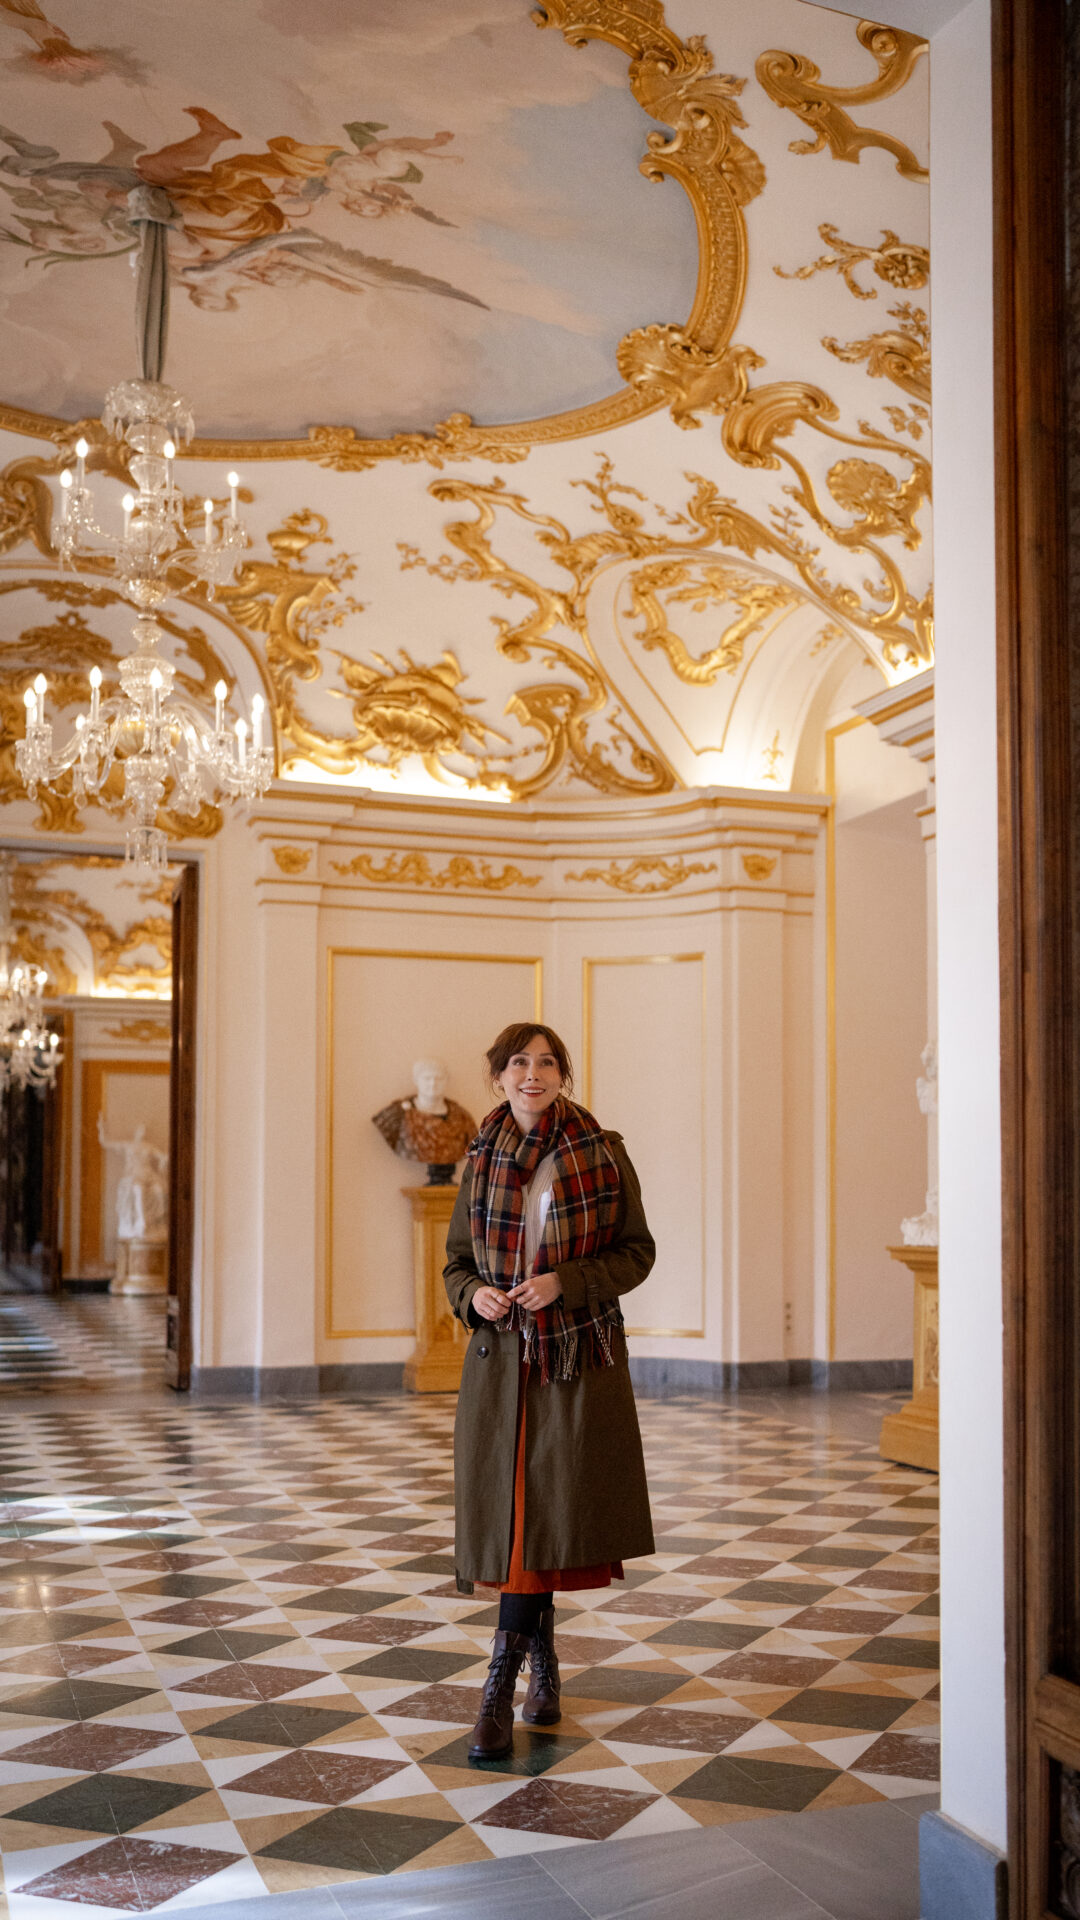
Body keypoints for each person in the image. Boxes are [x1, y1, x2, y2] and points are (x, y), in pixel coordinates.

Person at [443, 1022, 655, 1763]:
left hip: (574, 1361)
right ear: (497, 1076)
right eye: (518, 1062)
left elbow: (637, 1253)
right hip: (501, 1367)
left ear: (564, 1074)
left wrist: (567, 1282)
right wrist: (476, 1297)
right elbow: (455, 1266)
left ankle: (498, 1685)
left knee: (541, 1521)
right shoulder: (479, 1159)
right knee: (519, 1526)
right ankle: (542, 1663)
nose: (533, 1073)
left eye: (547, 1062)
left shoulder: (602, 1151)